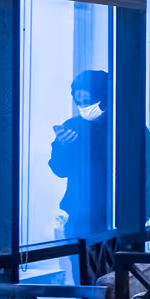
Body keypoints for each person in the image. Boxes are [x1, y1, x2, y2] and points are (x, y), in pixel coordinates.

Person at [48, 69, 112, 238]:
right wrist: (63, 147)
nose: (84, 107)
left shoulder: (123, 126)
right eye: (79, 101)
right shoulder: (71, 126)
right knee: (79, 262)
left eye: (89, 101)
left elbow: (147, 170)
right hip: (80, 217)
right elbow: (59, 170)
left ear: (105, 98)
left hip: (116, 215)